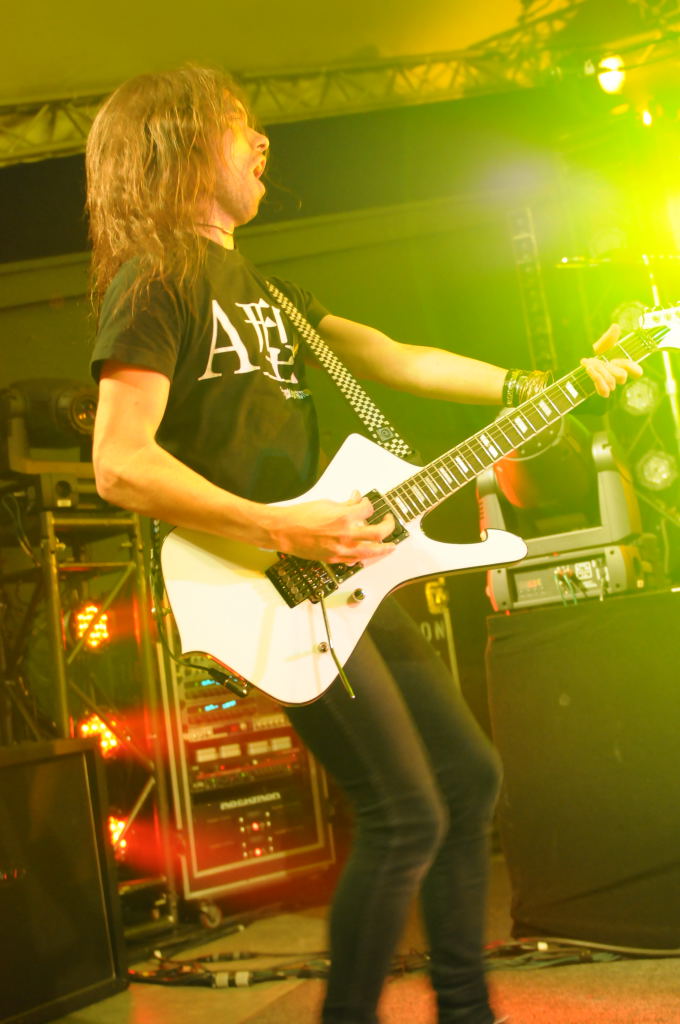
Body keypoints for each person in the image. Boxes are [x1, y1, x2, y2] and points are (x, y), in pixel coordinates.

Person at [86, 66, 642, 1024]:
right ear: (179, 145)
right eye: (240, 126)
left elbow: (391, 355)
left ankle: (465, 1010)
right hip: (266, 580)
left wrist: (536, 384)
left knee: (468, 779)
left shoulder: (266, 287)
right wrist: (278, 525)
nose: (263, 143)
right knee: (405, 811)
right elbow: (119, 462)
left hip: (338, 574)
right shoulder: (154, 283)